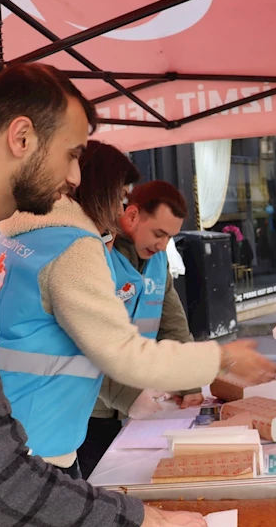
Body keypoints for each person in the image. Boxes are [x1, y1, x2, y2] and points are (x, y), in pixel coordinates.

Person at [0, 63, 206, 527]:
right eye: (71, 154)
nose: (74, 176)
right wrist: (149, 521)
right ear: (21, 137)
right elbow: (3, 482)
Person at [0, 142, 276, 478]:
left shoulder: (23, 239)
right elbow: (117, 351)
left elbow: (168, 325)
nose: (118, 208)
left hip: (13, 424)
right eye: (119, 196)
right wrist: (220, 358)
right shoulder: (74, 248)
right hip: (44, 431)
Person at [77, 180, 205, 477]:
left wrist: (189, 385)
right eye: (158, 233)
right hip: (91, 406)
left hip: (136, 405)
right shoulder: (97, 254)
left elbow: (173, 327)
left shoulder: (158, 261)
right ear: (132, 215)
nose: (163, 245)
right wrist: (129, 395)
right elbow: (89, 339)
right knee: (100, 488)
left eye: (169, 238)